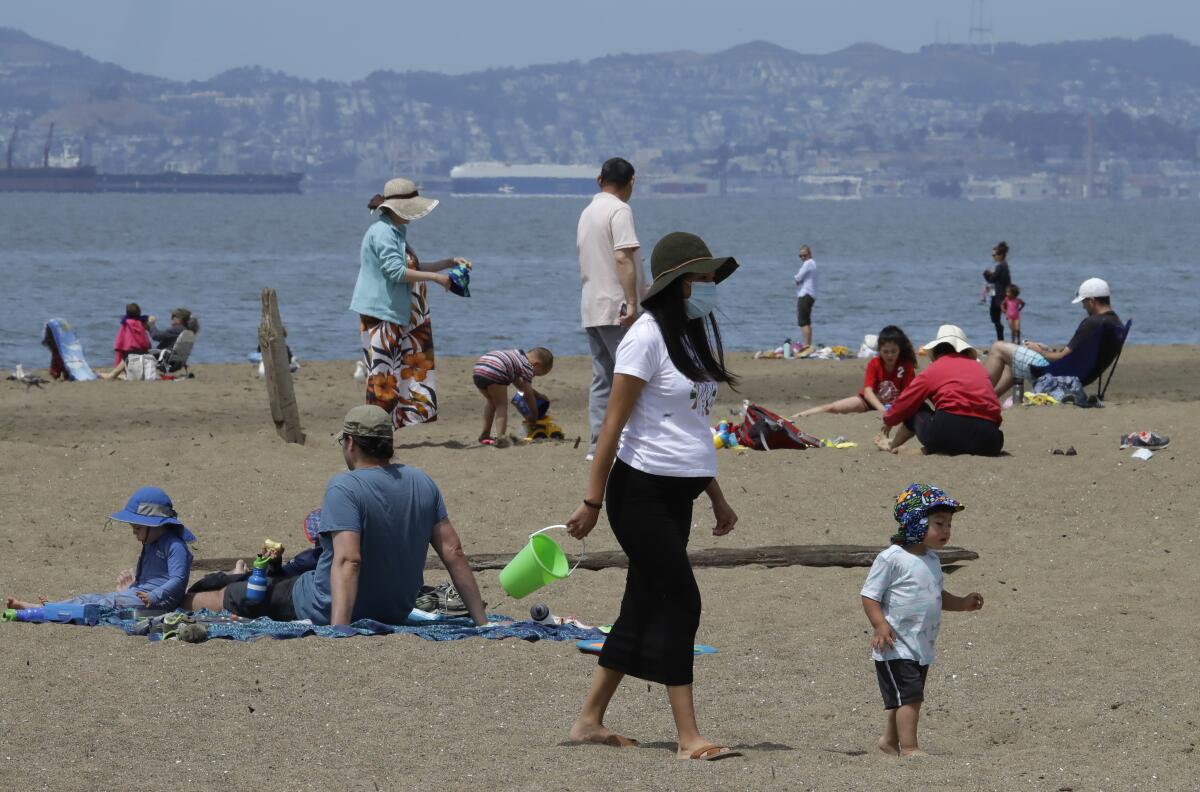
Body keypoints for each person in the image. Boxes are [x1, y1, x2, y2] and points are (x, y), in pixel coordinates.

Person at [565, 231, 742, 762]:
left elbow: (689, 426)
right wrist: (592, 501)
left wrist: (716, 495)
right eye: (704, 277)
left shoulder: (689, 335)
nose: (712, 286)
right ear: (679, 283)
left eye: (713, 277)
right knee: (681, 601)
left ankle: (588, 721)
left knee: (640, 605)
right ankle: (689, 738)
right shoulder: (644, 337)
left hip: (679, 495)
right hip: (637, 493)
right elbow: (613, 426)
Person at [184, 406, 488, 627]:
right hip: (395, 609)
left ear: (351, 443)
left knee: (233, 594)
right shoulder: (422, 481)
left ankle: (174, 604)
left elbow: (348, 561)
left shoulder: (346, 486)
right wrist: (481, 621)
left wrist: (339, 629)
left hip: (326, 605)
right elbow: (453, 551)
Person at [861, 484, 984, 757]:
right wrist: (880, 624)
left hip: (921, 645)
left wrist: (962, 604)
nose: (946, 530)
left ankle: (889, 742)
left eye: (949, 524)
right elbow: (869, 596)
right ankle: (910, 748)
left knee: (905, 697)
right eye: (938, 523)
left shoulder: (931, 559)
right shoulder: (891, 558)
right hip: (895, 644)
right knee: (912, 698)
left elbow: (936, 595)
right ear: (914, 522)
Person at [353, 178, 472, 430]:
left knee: (391, 373)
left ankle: (381, 430)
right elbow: (396, 272)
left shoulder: (395, 230)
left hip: (394, 311)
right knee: (382, 376)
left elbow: (412, 266)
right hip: (381, 311)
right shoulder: (383, 232)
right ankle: (373, 433)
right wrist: (437, 278)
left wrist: (447, 263)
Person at [5, 487, 196, 611]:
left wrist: (153, 596)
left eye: (137, 528)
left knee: (105, 603)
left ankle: (44, 609)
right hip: (143, 596)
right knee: (94, 598)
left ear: (155, 524)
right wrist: (131, 588)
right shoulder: (151, 542)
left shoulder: (174, 545)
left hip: (158, 603)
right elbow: (149, 579)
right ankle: (47, 607)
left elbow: (178, 580)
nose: (134, 533)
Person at [577, 157, 646, 460]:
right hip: (617, 306)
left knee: (603, 377)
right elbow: (622, 258)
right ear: (631, 181)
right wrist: (632, 302)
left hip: (592, 305)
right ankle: (630, 441)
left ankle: (597, 445)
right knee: (634, 375)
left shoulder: (588, 212)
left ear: (599, 180)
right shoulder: (620, 209)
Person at [875, 325, 1003, 456]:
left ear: (936, 351)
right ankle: (931, 449)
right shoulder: (980, 369)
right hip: (991, 440)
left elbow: (906, 400)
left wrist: (889, 420)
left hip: (947, 432)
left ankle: (893, 444)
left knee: (917, 407)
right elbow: (994, 409)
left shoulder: (934, 369)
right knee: (956, 429)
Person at [985, 277, 1122, 399]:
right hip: (1077, 374)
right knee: (1013, 360)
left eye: (1084, 302)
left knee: (998, 347)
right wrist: (1047, 349)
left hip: (1055, 374)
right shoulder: (1115, 323)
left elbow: (1062, 357)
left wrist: (1040, 351)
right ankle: (988, 399)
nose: (1083, 306)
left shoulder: (1092, 323)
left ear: (1092, 301)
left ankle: (977, 395)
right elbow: (1076, 355)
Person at [799, 325, 917, 418]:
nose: (890, 355)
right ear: (879, 350)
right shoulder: (874, 363)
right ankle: (798, 416)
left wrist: (895, 409)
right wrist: (882, 409)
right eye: (885, 351)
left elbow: (908, 393)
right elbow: (868, 391)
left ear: (899, 350)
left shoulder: (906, 366)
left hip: (896, 406)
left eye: (893, 351)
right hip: (870, 402)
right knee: (832, 407)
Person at [472, 347, 554, 446]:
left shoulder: (517, 356)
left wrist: (538, 395)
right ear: (536, 364)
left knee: (491, 402)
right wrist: (534, 414)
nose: (533, 375)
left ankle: (485, 435)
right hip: (497, 369)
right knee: (501, 405)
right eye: (537, 374)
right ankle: (501, 437)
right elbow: (527, 392)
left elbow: (520, 385)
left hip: (479, 368)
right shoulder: (528, 366)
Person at [982, 241, 1012, 342]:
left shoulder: (1001, 266)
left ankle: (1001, 340)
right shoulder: (1003, 266)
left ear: (1001, 255)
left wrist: (986, 273)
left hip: (999, 297)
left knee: (996, 318)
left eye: (994, 255)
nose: (993, 257)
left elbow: (991, 279)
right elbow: (999, 279)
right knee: (996, 318)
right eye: (992, 255)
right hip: (999, 295)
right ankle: (1001, 340)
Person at [794, 244, 817, 353]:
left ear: (809, 254)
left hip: (805, 294)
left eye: (804, 255)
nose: (803, 258)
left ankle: (806, 345)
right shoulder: (813, 264)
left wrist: (796, 280)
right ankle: (808, 344)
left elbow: (798, 276)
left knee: (803, 322)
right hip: (811, 294)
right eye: (801, 256)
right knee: (807, 321)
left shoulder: (808, 263)